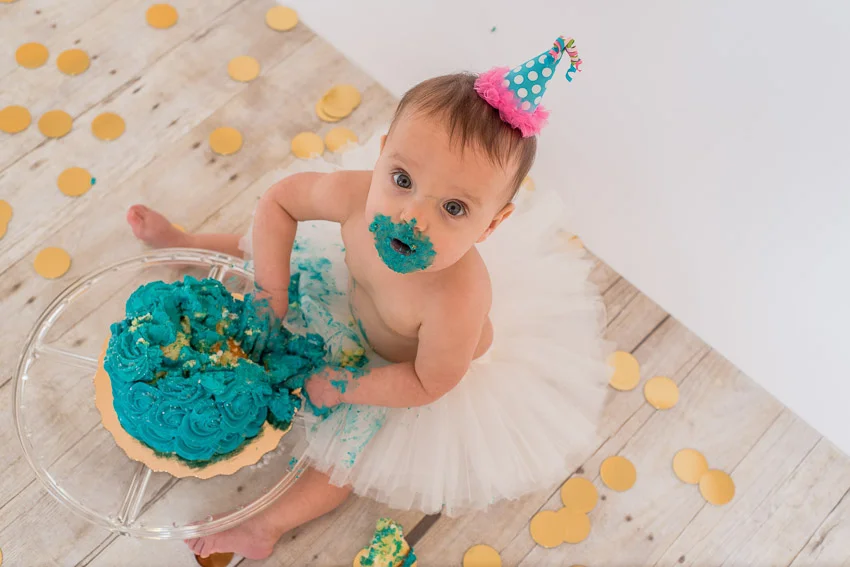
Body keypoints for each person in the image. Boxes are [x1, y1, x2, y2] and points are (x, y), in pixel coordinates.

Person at [127, 36, 613, 560]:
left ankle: (265, 528)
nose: (412, 217)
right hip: (346, 293)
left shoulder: (458, 298)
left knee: (346, 460)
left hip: (392, 366)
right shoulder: (358, 197)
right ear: (382, 155)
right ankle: (190, 243)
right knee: (267, 255)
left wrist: (347, 385)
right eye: (402, 179)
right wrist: (271, 291)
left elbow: (429, 382)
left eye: (453, 208)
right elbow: (279, 203)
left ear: (491, 224)